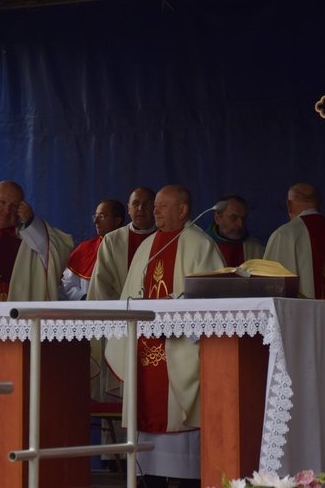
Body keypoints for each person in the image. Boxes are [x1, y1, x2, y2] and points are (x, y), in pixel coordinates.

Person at [106, 185, 225, 488]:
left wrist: (177, 312)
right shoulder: (147, 248)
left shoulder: (201, 245)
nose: (154, 211)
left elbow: (214, 304)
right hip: (145, 354)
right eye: (155, 205)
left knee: (186, 458)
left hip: (181, 355)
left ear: (183, 210)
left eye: (161, 206)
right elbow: (130, 298)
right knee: (149, 460)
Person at [0, 180, 73, 302]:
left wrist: (31, 222)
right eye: (2, 202)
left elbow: (55, 256)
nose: (7, 210)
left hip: (21, 314)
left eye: (15, 206)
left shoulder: (31, 235)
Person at [263, 182, 325, 299]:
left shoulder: (283, 235)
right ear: (320, 205)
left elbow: (270, 288)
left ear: (289, 205)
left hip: (299, 315)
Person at [87, 187, 158, 301]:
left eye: (147, 204)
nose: (141, 208)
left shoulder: (165, 239)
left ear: (155, 209)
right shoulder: (111, 240)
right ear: (129, 208)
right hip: (119, 312)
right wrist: (122, 308)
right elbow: (102, 286)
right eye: (136, 203)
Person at [59, 199, 125, 300]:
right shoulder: (84, 249)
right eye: (95, 216)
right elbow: (68, 283)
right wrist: (84, 297)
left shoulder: (128, 248)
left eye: (102, 216)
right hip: (88, 310)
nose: (95, 221)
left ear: (117, 220)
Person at [203, 194, 264, 267]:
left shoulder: (256, 249)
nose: (240, 224)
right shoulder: (203, 246)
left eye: (243, 218)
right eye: (233, 218)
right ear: (217, 218)